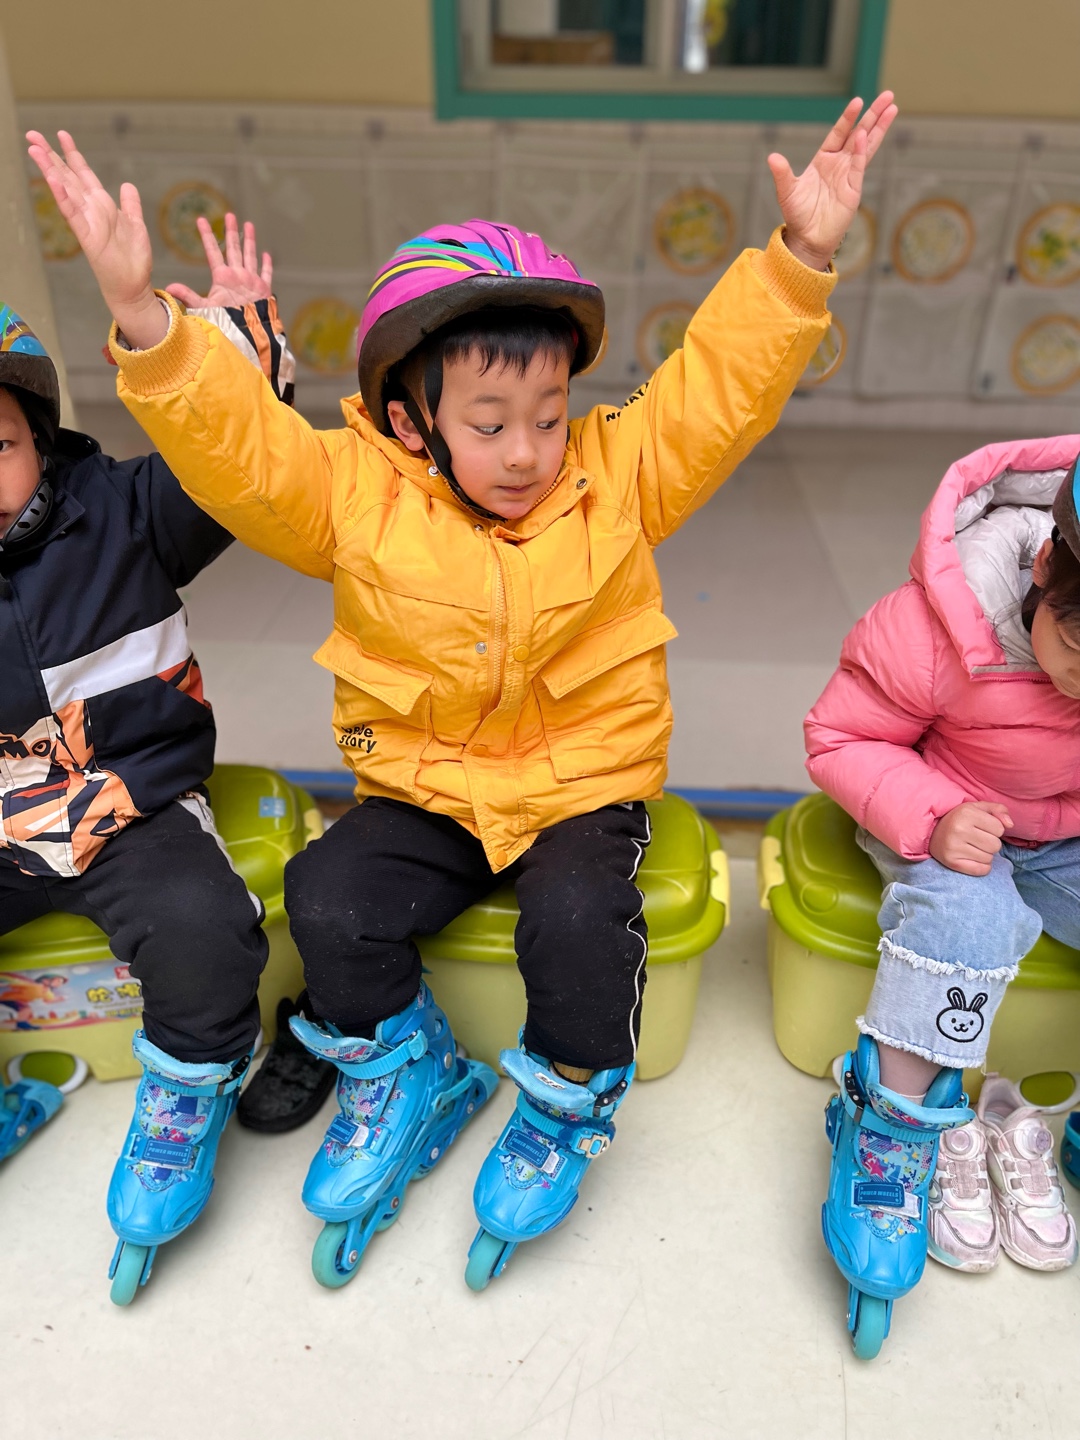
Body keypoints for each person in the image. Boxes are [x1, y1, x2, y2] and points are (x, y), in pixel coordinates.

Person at [28, 90, 896, 1290]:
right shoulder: (349, 495)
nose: (528, 450)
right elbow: (241, 454)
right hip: (429, 785)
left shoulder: (619, 477)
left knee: (581, 922)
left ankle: (566, 1101)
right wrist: (144, 318)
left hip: (581, 786)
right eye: (489, 423)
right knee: (329, 895)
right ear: (410, 420)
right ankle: (404, 1065)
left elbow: (718, 386)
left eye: (547, 414)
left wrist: (800, 255)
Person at [0, 237, 297, 1305]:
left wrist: (238, 350)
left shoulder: (122, 513)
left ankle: (188, 1088)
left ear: (39, 439)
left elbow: (234, 466)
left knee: (204, 930)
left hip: (132, 802)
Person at [805, 435, 1080, 1356]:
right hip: (956, 820)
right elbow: (840, 738)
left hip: (1066, 836)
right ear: (1046, 566)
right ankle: (894, 1124)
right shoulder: (942, 621)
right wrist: (935, 816)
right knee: (966, 921)